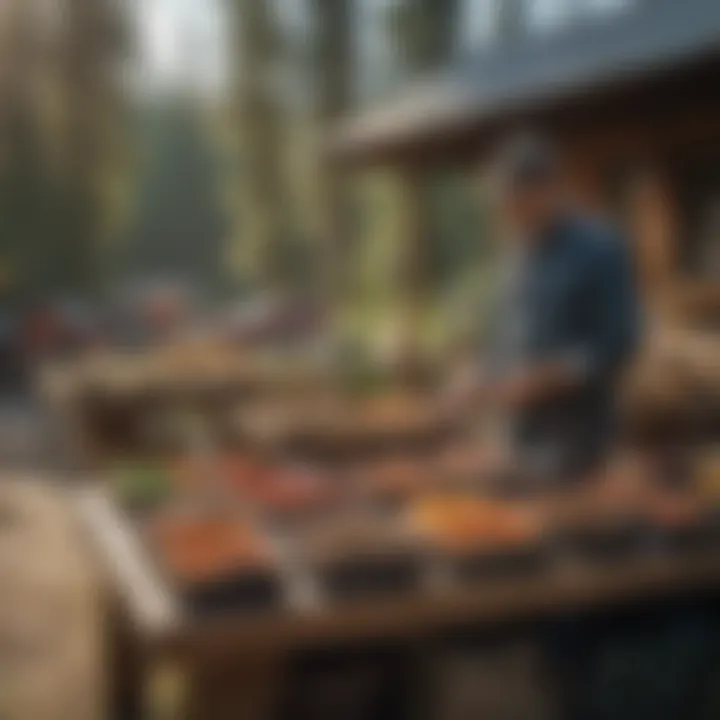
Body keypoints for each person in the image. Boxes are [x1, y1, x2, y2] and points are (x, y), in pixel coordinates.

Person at [452, 134, 641, 487]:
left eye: (513, 202)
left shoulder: (599, 249)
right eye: (501, 205)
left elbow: (619, 342)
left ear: (546, 189)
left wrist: (548, 377)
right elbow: (501, 339)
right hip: (517, 437)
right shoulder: (516, 257)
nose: (507, 214)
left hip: (579, 439)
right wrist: (479, 372)